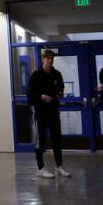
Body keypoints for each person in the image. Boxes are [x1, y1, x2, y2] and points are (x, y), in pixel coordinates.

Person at [28, 49, 71, 179]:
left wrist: (59, 93)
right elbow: (30, 96)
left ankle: (59, 167)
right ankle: (40, 168)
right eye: (48, 58)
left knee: (57, 139)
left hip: (53, 111)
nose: (50, 61)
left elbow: (60, 89)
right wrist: (41, 97)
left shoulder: (57, 74)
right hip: (41, 113)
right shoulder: (35, 75)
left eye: (52, 58)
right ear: (43, 59)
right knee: (40, 141)